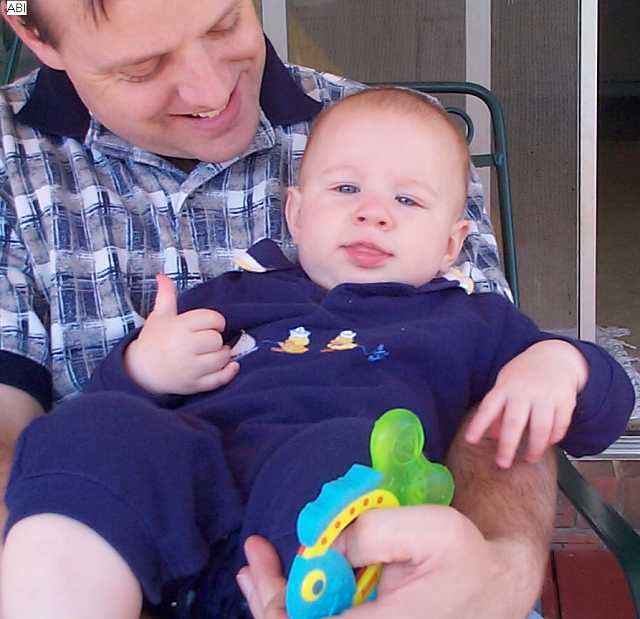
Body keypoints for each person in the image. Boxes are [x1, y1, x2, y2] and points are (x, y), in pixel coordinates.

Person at [0, 1, 573, 618]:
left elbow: (502, 409)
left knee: (346, 453)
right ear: (31, 30)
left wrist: (500, 573)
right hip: (121, 549)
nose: (212, 92)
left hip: (362, 567)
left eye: (225, 24)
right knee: (91, 429)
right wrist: (140, 373)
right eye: (142, 67)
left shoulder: (392, 139)